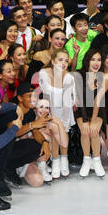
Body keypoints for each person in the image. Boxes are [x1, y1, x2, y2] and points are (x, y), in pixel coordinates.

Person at [0, 82, 50, 192]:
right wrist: (32, 125)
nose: (33, 98)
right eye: (29, 95)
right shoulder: (12, 112)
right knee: (9, 143)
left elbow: (36, 132)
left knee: (37, 147)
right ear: (19, 98)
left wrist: (45, 142)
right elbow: (12, 132)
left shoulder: (31, 113)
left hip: (9, 147)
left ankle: (9, 168)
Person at [38, 49, 76, 178]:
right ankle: (55, 160)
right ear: (53, 61)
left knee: (64, 129)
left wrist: (62, 120)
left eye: (66, 60)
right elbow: (45, 93)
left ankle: (64, 158)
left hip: (65, 108)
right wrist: (51, 115)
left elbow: (68, 99)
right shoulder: (44, 73)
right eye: (60, 60)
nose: (63, 63)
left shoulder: (69, 77)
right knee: (54, 130)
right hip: (49, 108)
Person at [73, 48, 107, 178]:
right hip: (82, 110)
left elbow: (98, 101)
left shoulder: (103, 77)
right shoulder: (79, 75)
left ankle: (97, 160)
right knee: (85, 130)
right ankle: (86, 160)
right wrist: (85, 121)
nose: (96, 63)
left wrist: (93, 120)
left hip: (98, 111)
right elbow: (80, 99)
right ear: (87, 60)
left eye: (99, 60)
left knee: (94, 131)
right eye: (93, 59)